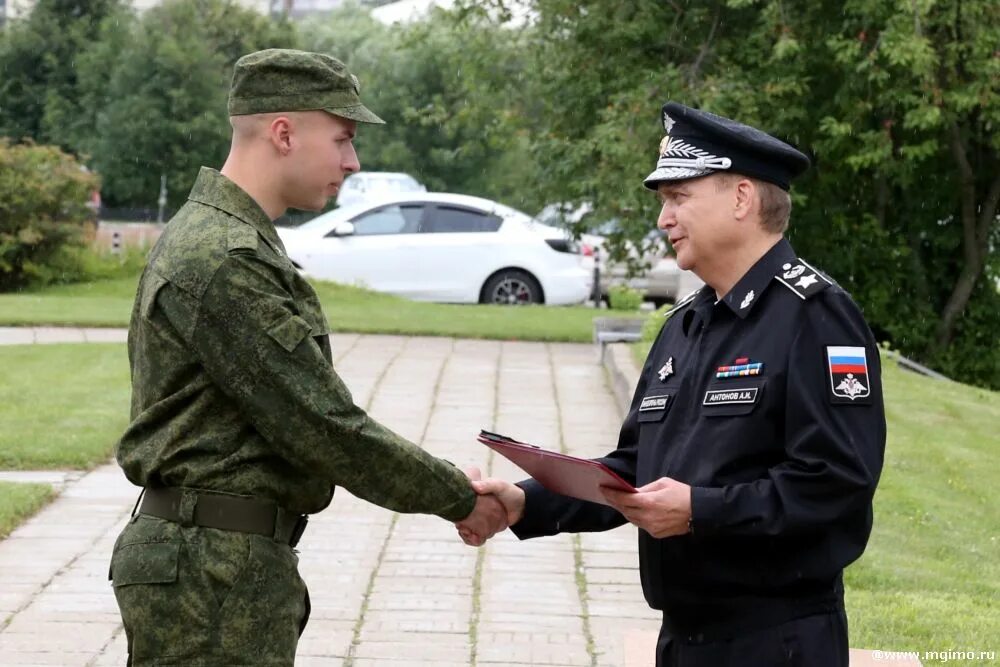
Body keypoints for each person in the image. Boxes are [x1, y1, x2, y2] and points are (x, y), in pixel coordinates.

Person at [109, 48, 506, 666]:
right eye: (344, 139)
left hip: (218, 565)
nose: (353, 162)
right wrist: (458, 494)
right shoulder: (225, 259)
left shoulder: (228, 241)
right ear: (284, 133)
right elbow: (321, 424)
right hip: (210, 575)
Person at [465, 102, 887, 667]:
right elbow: (637, 469)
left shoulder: (815, 316)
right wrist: (525, 502)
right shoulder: (686, 324)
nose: (663, 219)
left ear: (741, 198)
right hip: (682, 641)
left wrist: (701, 512)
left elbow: (836, 485)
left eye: (678, 197)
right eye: (664, 201)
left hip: (777, 642)